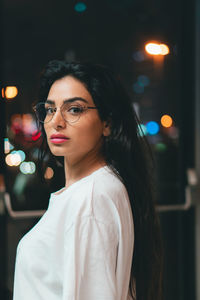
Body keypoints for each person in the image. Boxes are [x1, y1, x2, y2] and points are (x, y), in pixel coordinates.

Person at [13, 60, 163, 300]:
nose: (56, 121)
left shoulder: (91, 197)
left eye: (74, 109)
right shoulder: (102, 185)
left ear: (107, 123)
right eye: (51, 109)